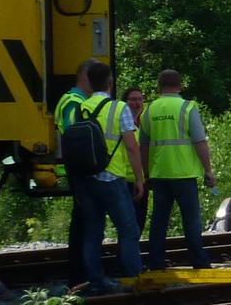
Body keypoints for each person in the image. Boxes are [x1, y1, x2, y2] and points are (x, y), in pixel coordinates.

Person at [73, 63, 145, 294]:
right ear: (110, 82)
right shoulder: (119, 108)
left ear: (90, 83)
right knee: (128, 230)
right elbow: (132, 147)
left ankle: (96, 282)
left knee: (93, 231)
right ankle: (134, 279)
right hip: (111, 178)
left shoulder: (81, 108)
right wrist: (139, 179)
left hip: (87, 180)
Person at [140, 69, 215, 270]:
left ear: (159, 87)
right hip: (184, 174)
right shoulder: (187, 108)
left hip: (159, 175)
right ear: (180, 86)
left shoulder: (149, 110)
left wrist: (145, 173)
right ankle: (199, 261)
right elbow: (199, 141)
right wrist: (208, 170)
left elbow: (144, 145)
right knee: (191, 221)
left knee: (158, 221)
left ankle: (156, 262)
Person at [55, 57, 98, 288]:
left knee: (83, 220)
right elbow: (76, 137)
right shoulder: (73, 102)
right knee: (83, 221)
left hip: (79, 169)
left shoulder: (77, 100)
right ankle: (79, 276)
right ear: (85, 77)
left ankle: (81, 274)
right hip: (79, 170)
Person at [122, 87, 149, 234]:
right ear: (125, 102)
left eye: (140, 99)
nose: (137, 103)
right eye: (133, 99)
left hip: (140, 179)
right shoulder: (123, 125)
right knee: (131, 226)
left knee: (139, 223)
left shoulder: (141, 125)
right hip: (126, 180)